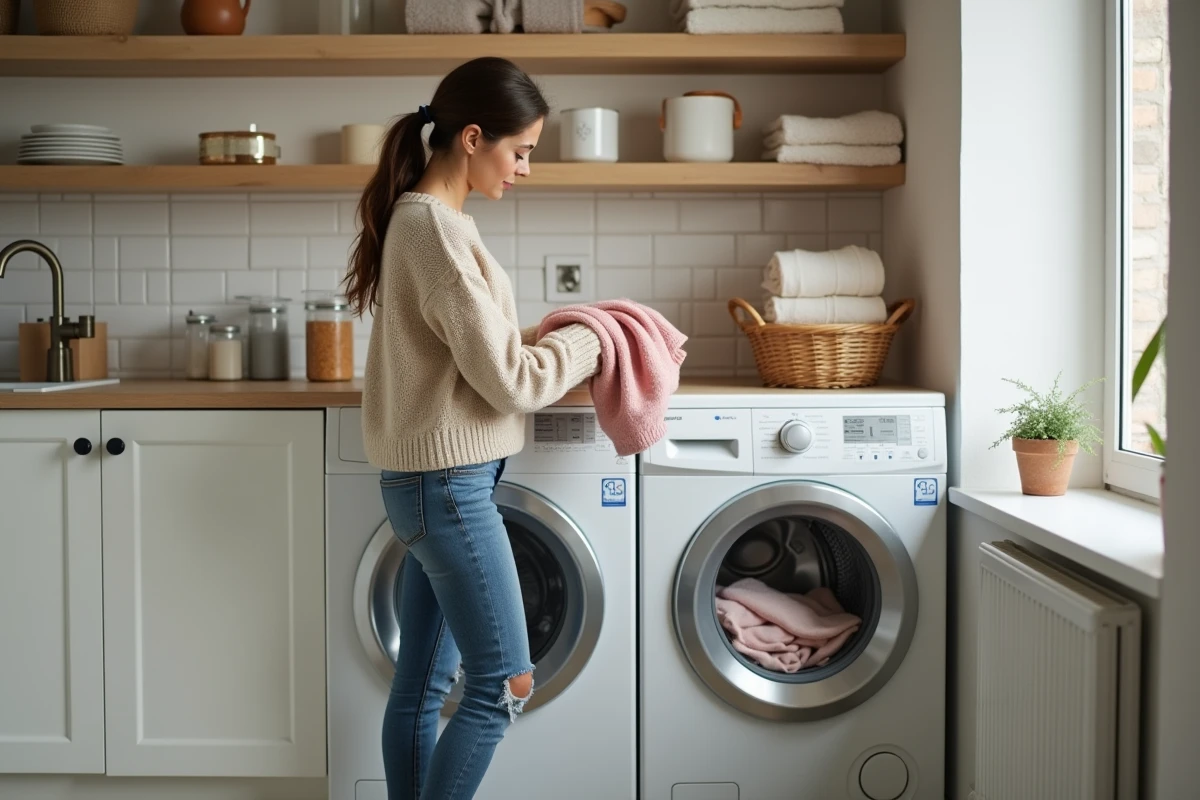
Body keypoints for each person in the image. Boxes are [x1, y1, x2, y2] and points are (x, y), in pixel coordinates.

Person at [343, 56, 602, 800]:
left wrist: (548, 336)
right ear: (473, 137)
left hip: (439, 488)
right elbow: (512, 380)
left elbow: (474, 352)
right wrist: (590, 339)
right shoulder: (434, 232)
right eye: (519, 152)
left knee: (424, 687)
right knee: (504, 686)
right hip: (449, 491)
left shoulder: (432, 222)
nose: (525, 169)